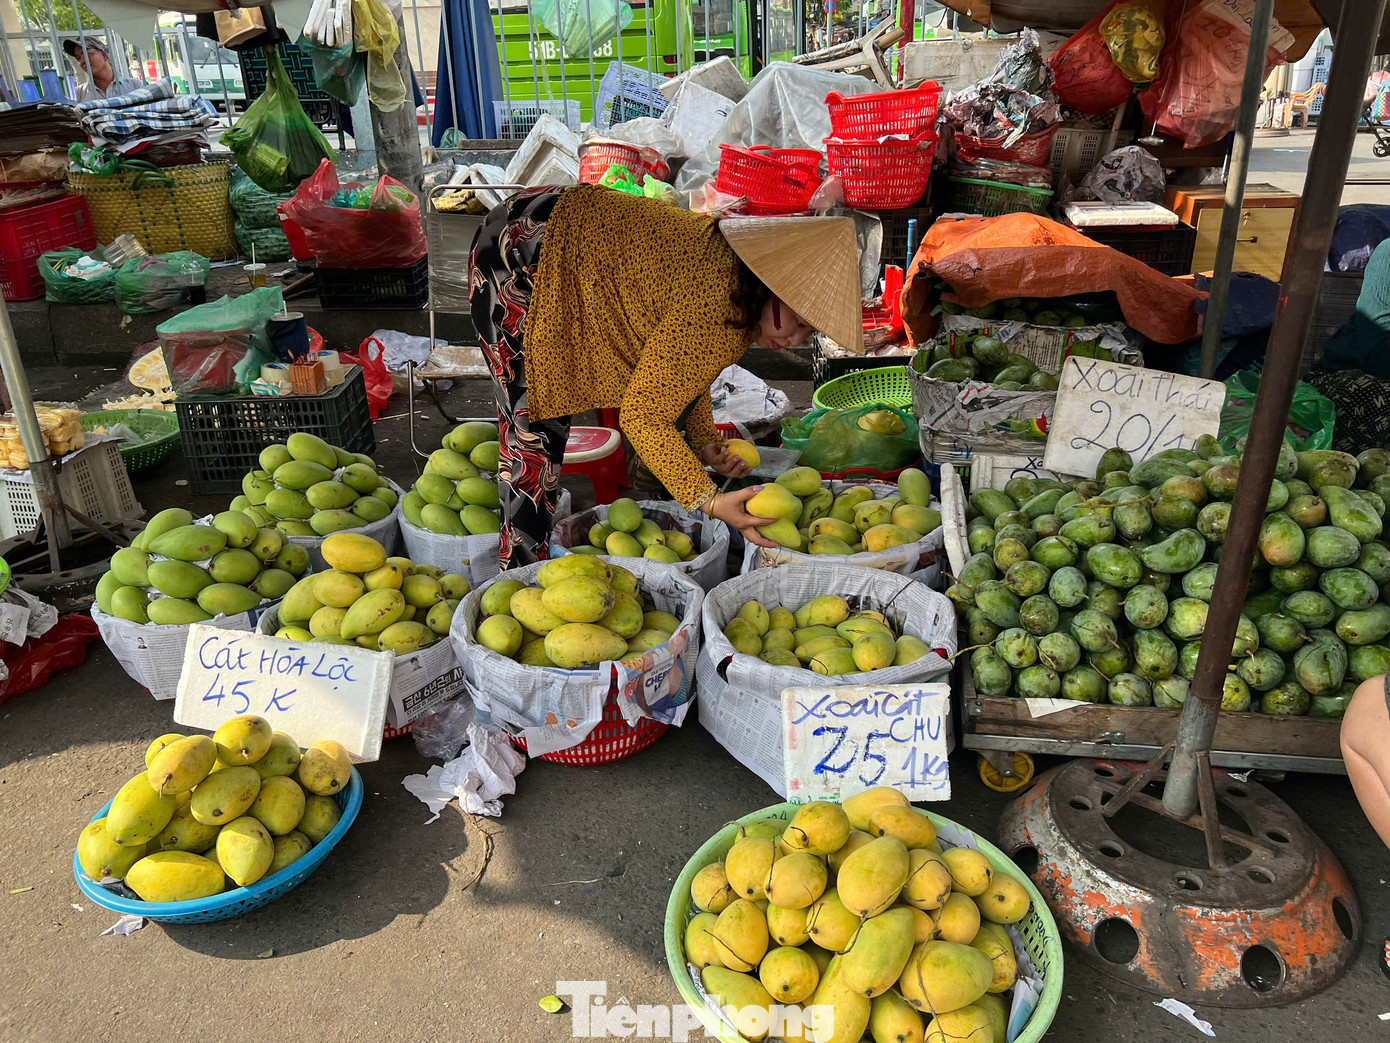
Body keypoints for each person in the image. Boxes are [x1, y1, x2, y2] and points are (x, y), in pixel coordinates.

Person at [468, 183, 863, 570]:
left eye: (808, 333)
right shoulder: (717, 298)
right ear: (772, 290)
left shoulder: (739, 290)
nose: (794, 339)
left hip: (555, 224)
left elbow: (688, 369)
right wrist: (708, 499)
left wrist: (705, 439)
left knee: (546, 421)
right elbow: (643, 417)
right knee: (534, 435)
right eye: (797, 322)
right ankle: (519, 577)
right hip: (521, 252)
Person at [63, 38, 140, 102]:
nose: (82, 61)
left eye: (86, 54)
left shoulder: (135, 86)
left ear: (104, 55)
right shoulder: (81, 92)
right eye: (78, 58)